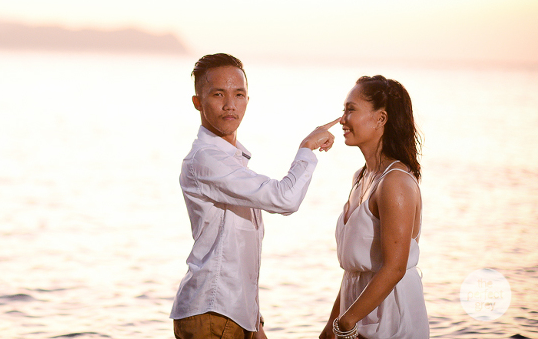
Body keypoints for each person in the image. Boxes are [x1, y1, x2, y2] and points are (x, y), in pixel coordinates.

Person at [170, 53, 339, 339]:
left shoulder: (231, 160)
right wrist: (307, 149)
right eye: (218, 94)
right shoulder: (207, 159)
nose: (230, 105)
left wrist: (255, 321)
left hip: (233, 315)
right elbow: (285, 198)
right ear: (198, 102)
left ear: (248, 100)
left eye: (239, 94)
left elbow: (237, 249)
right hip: (212, 314)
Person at [321, 75, 429, 339]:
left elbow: (395, 268)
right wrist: (331, 326)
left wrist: (346, 322)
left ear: (381, 119)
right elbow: (353, 270)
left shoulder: (395, 182)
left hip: (390, 317)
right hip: (356, 314)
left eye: (350, 110)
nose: (342, 120)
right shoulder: (361, 176)